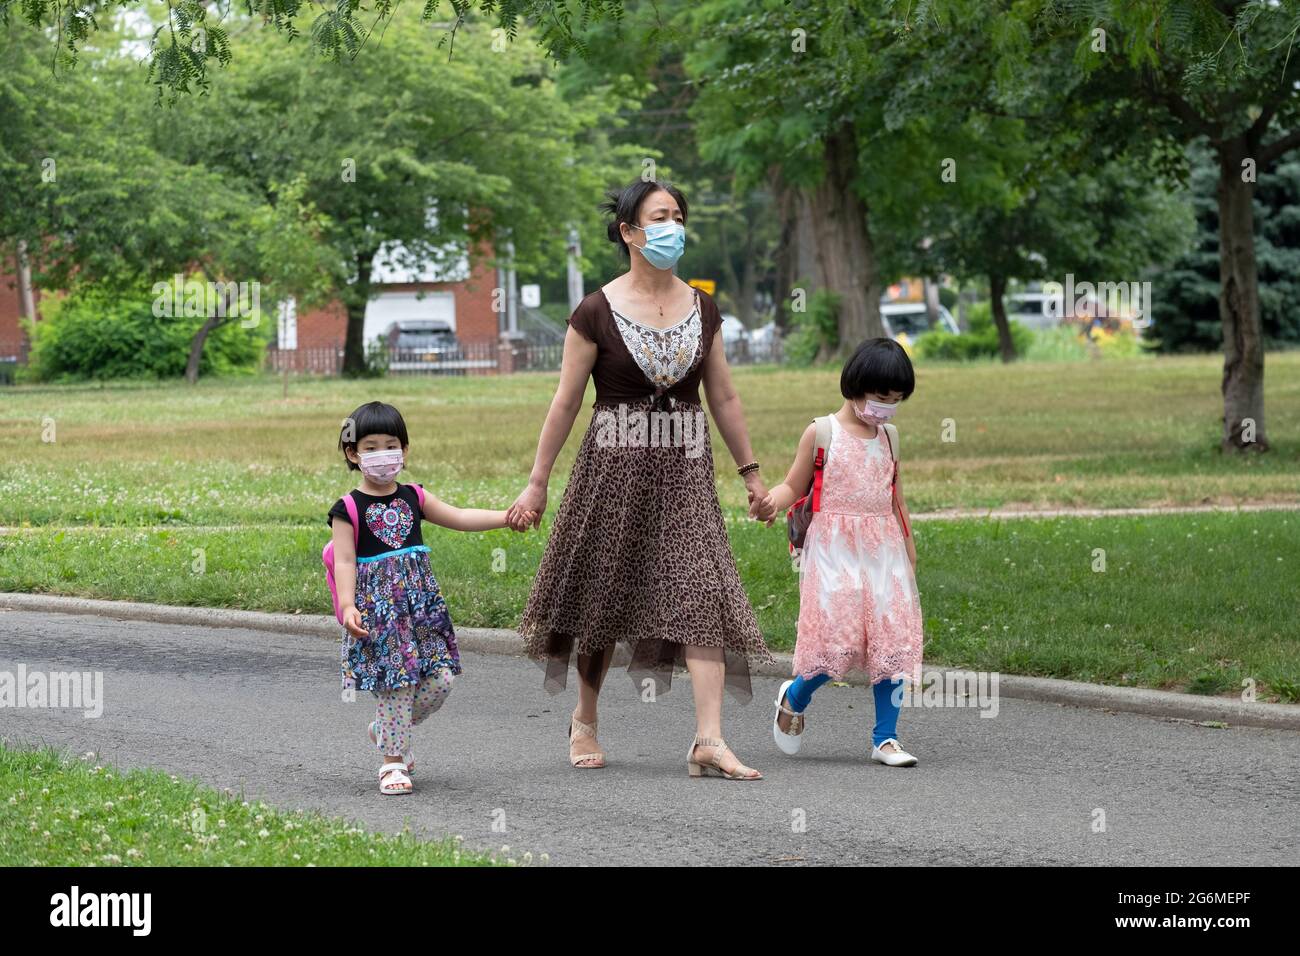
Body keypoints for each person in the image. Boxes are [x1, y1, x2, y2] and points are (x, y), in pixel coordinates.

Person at [506, 179, 777, 780]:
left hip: (686, 472)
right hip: (612, 469)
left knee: (703, 587)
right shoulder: (595, 311)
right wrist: (537, 481)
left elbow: (725, 396)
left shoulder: (704, 308)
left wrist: (752, 474)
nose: (672, 226)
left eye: (678, 215)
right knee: (603, 595)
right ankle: (585, 718)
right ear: (629, 231)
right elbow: (565, 402)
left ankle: (709, 739)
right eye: (660, 216)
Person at [328, 401, 534, 794]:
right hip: (379, 611)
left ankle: (387, 729)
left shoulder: (414, 497)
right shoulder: (348, 508)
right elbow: (344, 562)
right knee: (396, 685)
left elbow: (459, 516)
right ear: (353, 454)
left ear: (405, 451)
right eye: (370, 447)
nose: (382, 454)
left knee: (440, 680)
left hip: (420, 608)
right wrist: (348, 605)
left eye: (391, 444)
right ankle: (392, 763)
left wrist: (505, 517)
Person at [759, 338, 924, 766]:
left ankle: (885, 738)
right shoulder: (822, 433)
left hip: (883, 549)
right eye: (880, 397)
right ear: (854, 386)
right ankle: (794, 697)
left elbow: (895, 499)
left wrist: (908, 550)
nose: (886, 408)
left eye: (895, 401)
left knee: (890, 641)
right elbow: (794, 485)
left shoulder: (890, 438)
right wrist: (771, 502)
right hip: (833, 550)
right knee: (839, 642)